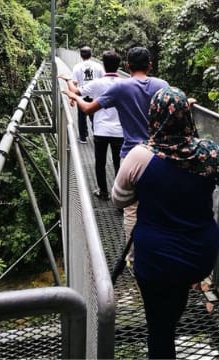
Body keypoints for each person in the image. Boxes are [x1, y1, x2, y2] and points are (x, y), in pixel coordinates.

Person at [111, 86, 219, 359]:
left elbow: (118, 200)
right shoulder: (209, 153)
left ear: (154, 117)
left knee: (159, 329)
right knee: (176, 298)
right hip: (200, 254)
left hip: (156, 259)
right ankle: (173, 313)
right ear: (187, 115)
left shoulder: (140, 155)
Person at [64, 46, 169, 262]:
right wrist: (189, 103)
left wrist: (71, 93)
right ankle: (163, 251)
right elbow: (176, 108)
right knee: (159, 204)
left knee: (131, 209)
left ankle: (134, 257)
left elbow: (88, 109)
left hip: (132, 155)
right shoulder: (162, 85)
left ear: (127, 66)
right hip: (161, 155)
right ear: (150, 65)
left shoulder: (121, 87)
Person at [62, 50, 123, 200]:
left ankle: (103, 192)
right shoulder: (125, 83)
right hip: (120, 131)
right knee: (119, 164)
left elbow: (76, 91)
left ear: (103, 64)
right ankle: (120, 196)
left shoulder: (97, 84)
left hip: (101, 130)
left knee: (100, 163)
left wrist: (68, 80)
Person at [71, 46, 104, 143]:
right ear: (91, 54)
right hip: (95, 96)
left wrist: (72, 98)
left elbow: (74, 83)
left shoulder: (77, 67)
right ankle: (97, 135)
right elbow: (103, 79)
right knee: (95, 117)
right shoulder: (98, 66)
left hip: (82, 95)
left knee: (81, 117)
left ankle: (83, 137)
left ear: (80, 55)